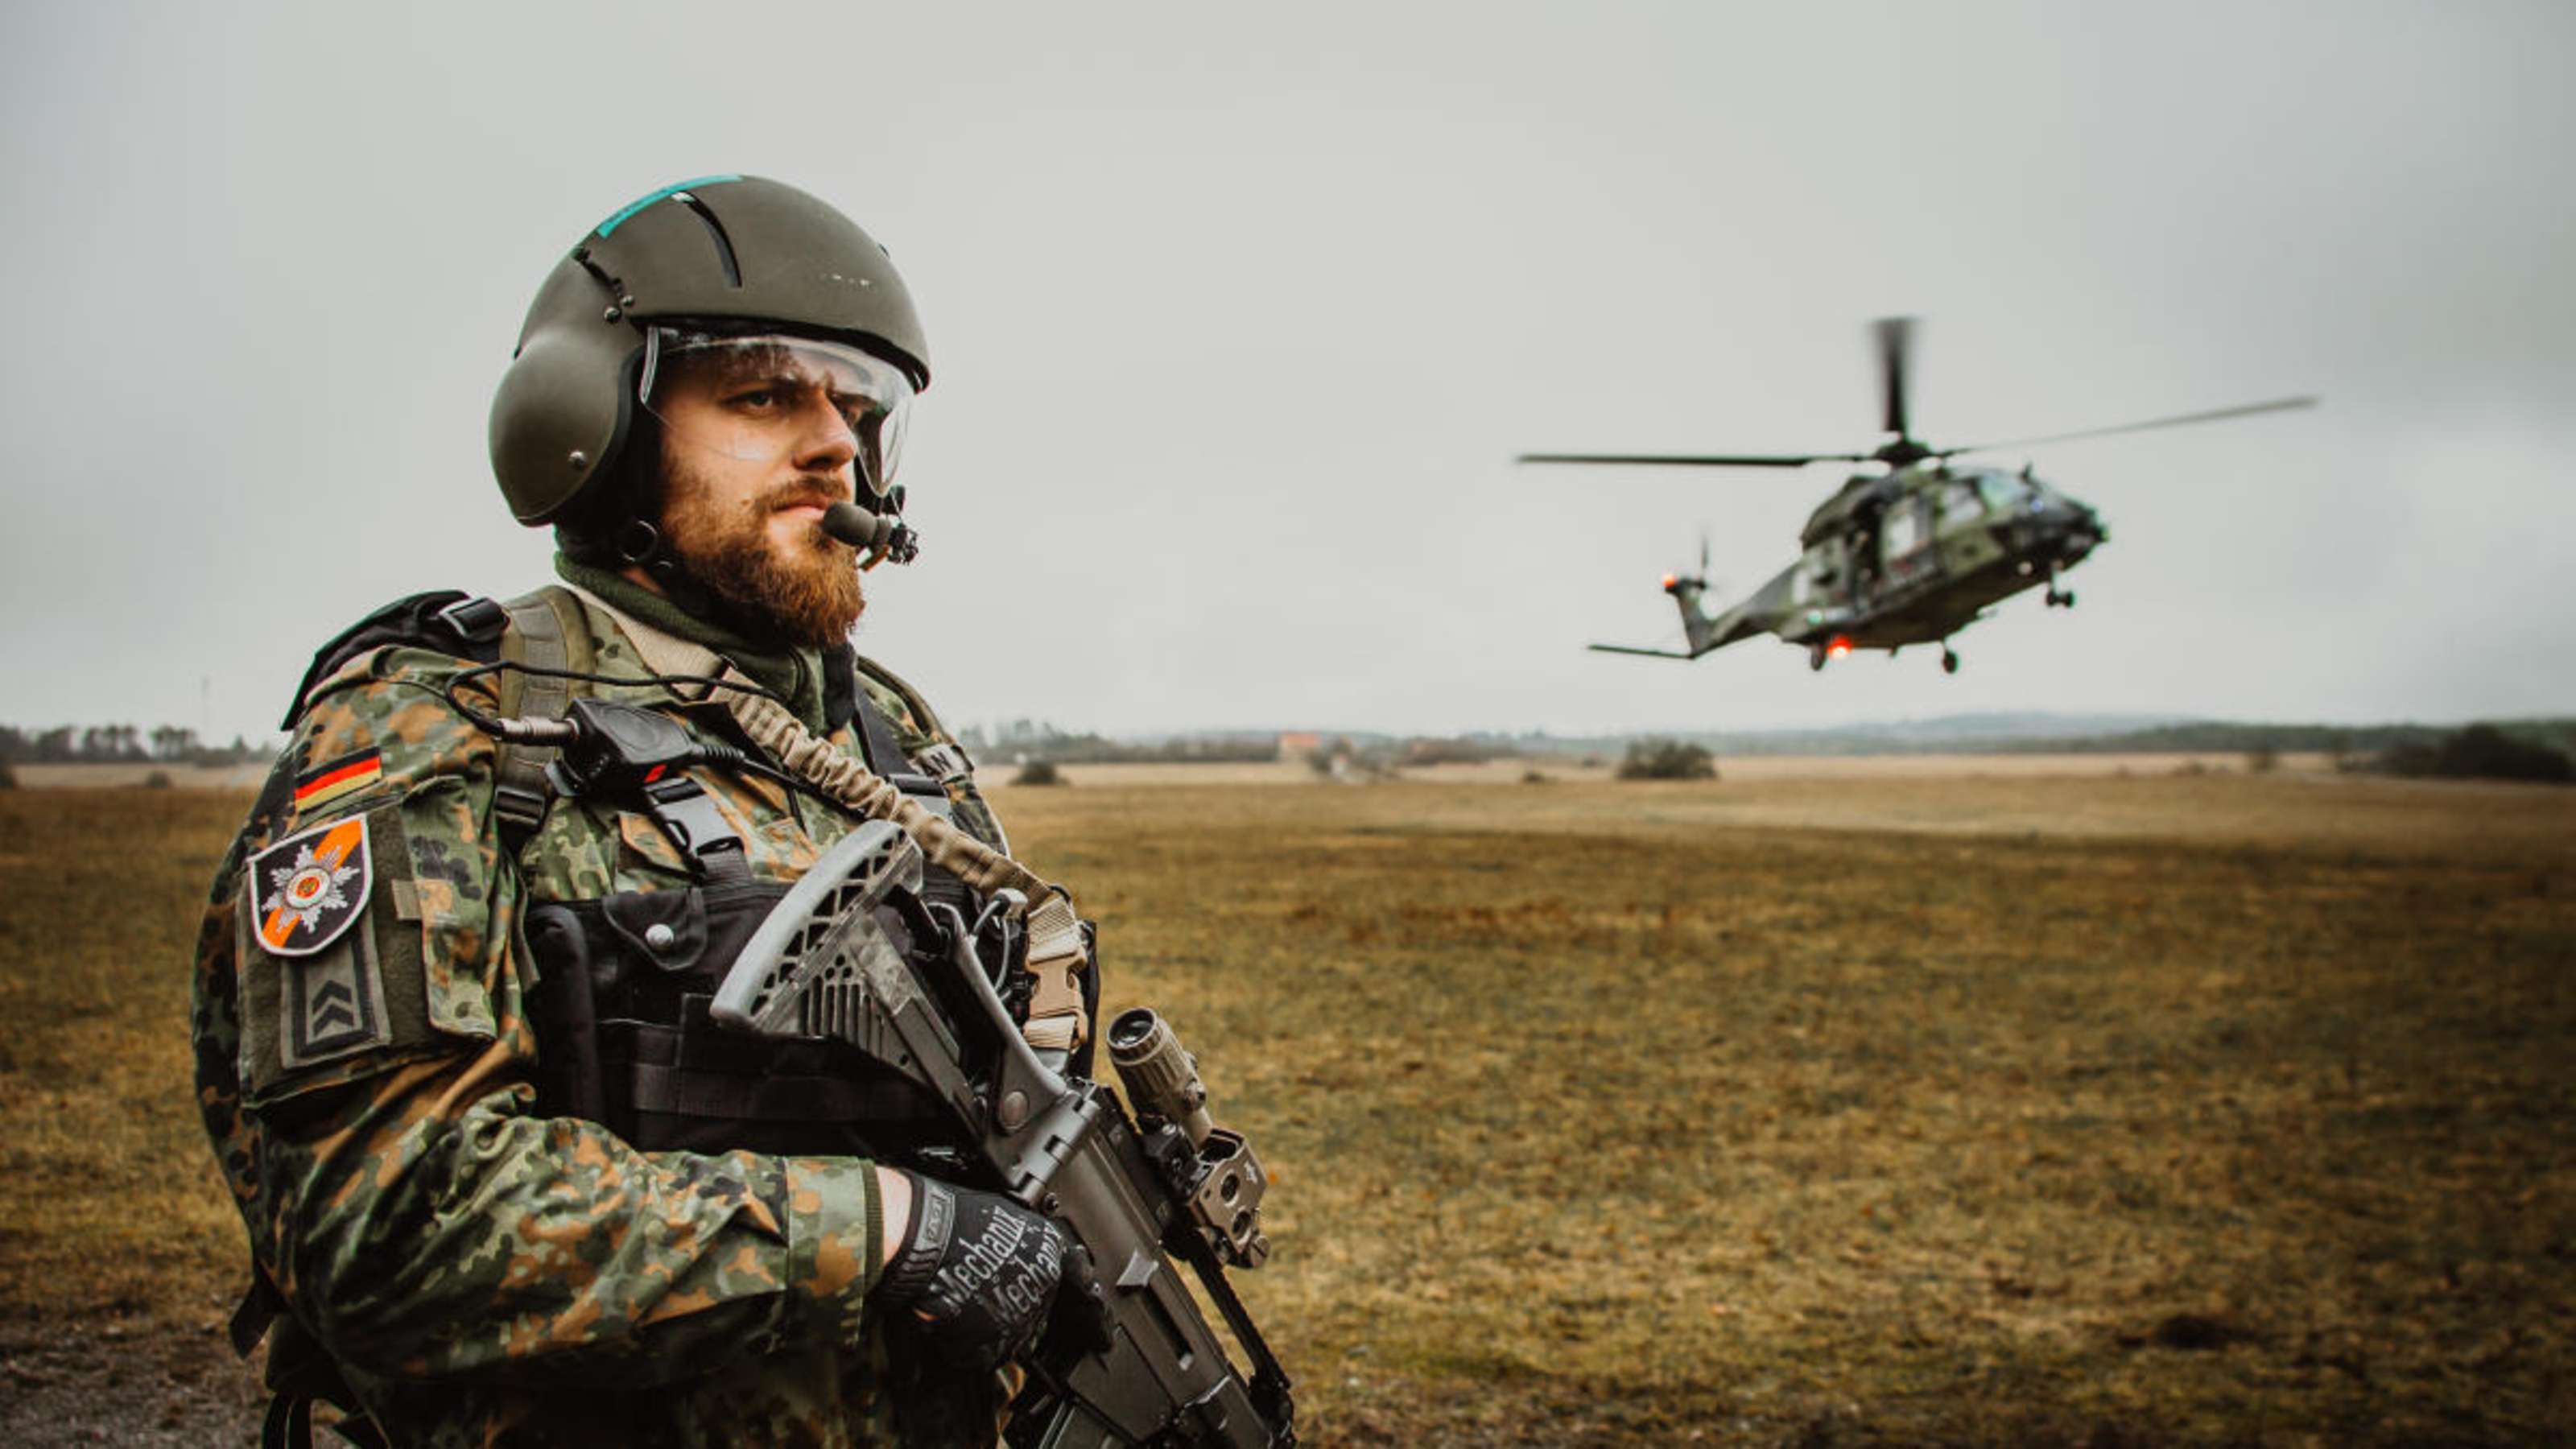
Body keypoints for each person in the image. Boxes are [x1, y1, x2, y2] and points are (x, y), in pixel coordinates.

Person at [190, 175, 1095, 1446]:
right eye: (764, 394)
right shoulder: (447, 725)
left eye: (856, 406)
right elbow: (386, 1226)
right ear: (594, 423)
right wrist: (887, 1234)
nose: (836, 445)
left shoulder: (893, 737)